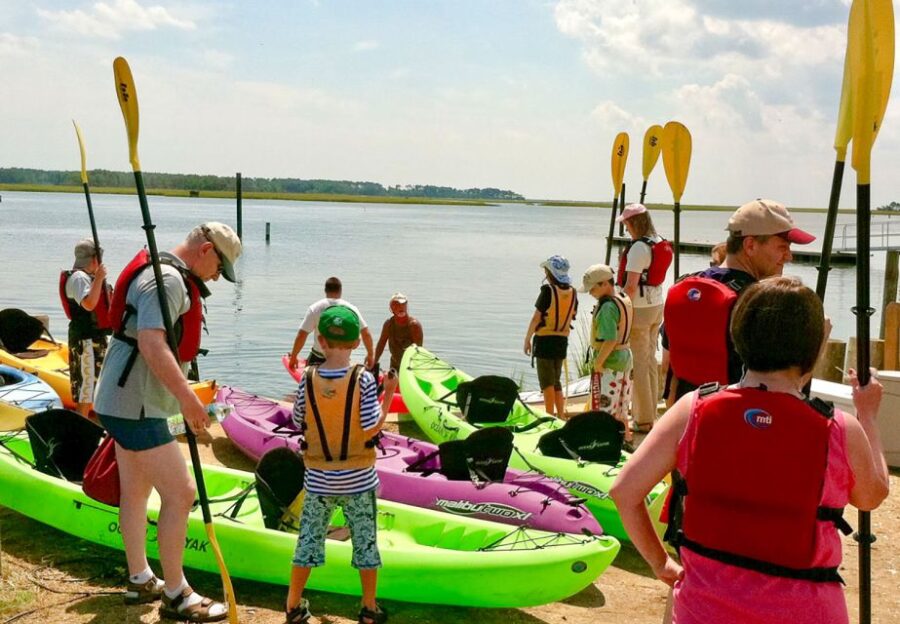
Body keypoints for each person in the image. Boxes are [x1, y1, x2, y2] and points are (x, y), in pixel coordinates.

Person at [611, 276, 890, 624]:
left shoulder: (693, 409)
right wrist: (868, 416)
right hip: (806, 611)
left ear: (738, 335)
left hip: (705, 608)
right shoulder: (838, 429)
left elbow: (624, 491)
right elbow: (871, 494)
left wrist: (660, 562)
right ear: (814, 347)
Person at [93, 222, 242, 622]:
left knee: (137, 491)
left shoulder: (164, 273)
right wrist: (189, 401)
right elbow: (152, 342)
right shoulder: (170, 282)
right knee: (181, 493)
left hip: (119, 400)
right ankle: (176, 593)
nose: (216, 277)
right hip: (136, 405)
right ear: (206, 249)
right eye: (219, 267)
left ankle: (140, 577)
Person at [286, 305, 396, 624]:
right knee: (365, 542)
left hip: (319, 480)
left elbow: (297, 420)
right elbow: (372, 425)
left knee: (308, 540)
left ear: (319, 340)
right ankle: (369, 607)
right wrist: (387, 394)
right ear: (356, 343)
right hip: (358, 480)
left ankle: (293, 605)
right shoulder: (362, 380)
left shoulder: (306, 378)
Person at [663, 199, 815, 403]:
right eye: (782, 247)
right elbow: (787, 383)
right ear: (750, 245)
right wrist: (819, 340)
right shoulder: (762, 303)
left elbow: (668, 366)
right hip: (738, 418)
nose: (789, 256)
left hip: (691, 412)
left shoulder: (686, 287)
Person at [616, 204, 672, 433]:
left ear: (634, 223)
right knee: (649, 360)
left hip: (638, 308)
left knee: (638, 362)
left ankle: (643, 419)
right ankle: (649, 412)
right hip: (656, 305)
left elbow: (630, 286)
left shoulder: (639, 248)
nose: (626, 229)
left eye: (627, 224)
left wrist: (619, 308)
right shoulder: (659, 241)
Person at [579, 264, 634, 445]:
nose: (590, 293)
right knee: (622, 408)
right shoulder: (622, 298)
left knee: (604, 408)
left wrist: (598, 363)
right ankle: (625, 440)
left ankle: (602, 443)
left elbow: (610, 339)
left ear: (604, 284)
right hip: (625, 359)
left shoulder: (607, 308)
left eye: (592, 288)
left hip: (610, 363)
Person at [59, 239, 112, 416]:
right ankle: (81, 427)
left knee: (94, 386)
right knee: (86, 389)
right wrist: (99, 278)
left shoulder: (85, 278)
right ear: (95, 259)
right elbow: (89, 304)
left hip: (94, 338)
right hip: (85, 340)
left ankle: (93, 424)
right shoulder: (79, 278)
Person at [523, 255, 578, 417]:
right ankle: (560, 414)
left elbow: (536, 318)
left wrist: (527, 339)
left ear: (550, 273)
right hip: (562, 341)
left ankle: (548, 415)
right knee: (556, 380)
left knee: (546, 382)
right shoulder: (572, 292)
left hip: (544, 341)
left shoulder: (548, 291)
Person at [288, 277, 374, 371]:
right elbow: (366, 333)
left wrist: (293, 357)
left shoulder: (315, 308)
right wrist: (370, 355)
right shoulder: (351, 309)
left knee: (311, 382)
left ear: (325, 290)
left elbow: (302, 335)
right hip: (342, 360)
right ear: (340, 291)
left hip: (317, 359)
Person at [374, 292, 423, 373]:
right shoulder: (388, 324)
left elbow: (419, 351)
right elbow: (381, 345)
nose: (400, 307)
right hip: (394, 365)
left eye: (403, 304)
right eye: (396, 305)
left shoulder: (414, 325)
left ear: (406, 306)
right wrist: (373, 361)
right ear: (391, 308)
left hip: (410, 368)